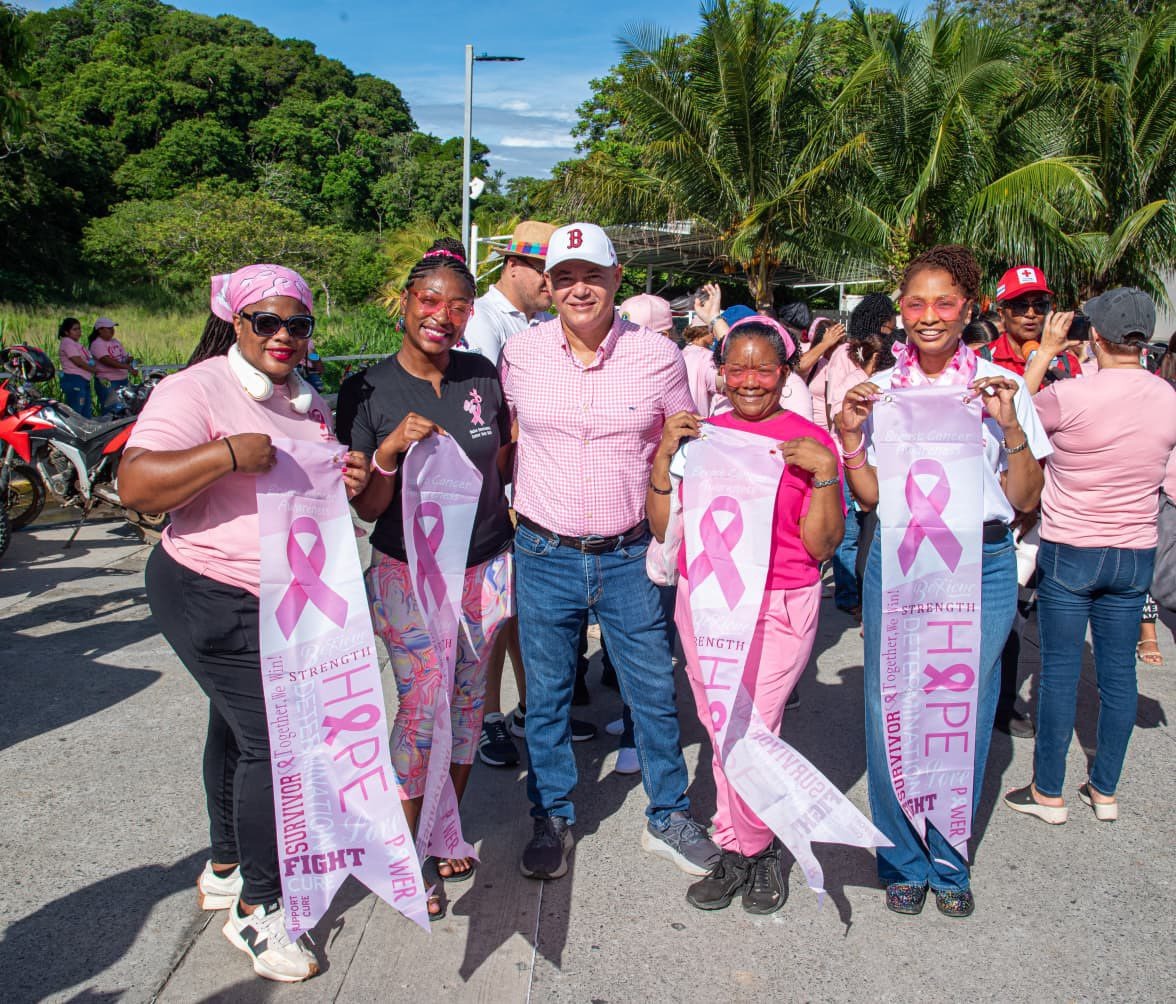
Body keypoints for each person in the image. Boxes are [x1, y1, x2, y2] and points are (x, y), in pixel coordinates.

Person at [119, 264, 368, 983]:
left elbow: (301, 483)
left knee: (233, 728)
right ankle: (262, 909)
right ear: (238, 325)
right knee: (273, 740)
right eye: (268, 322)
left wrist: (345, 475)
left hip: (278, 597)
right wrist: (226, 452)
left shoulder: (306, 400)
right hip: (205, 588)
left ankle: (226, 866)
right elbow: (135, 484)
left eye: (299, 324)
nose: (285, 336)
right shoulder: (194, 389)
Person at [501, 222, 719, 881]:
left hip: (630, 554)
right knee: (546, 695)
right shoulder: (521, 355)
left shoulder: (659, 357)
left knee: (653, 690)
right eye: (564, 277)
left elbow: (684, 446)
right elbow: (507, 439)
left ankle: (669, 814)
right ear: (548, 285)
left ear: (616, 279)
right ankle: (553, 815)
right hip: (544, 551)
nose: (577, 289)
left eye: (591, 275)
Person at [838, 245, 1050, 918]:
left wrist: (1010, 426)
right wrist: (849, 436)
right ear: (900, 310)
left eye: (944, 302)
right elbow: (870, 497)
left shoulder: (995, 385)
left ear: (970, 308)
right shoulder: (881, 391)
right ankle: (901, 855)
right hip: (901, 561)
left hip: (979, 563)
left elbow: (1024, 498)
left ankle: (950, 859)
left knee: (963, 708)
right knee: (890, 704)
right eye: (916, 302)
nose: (929, 316)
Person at [336, 239, 514, 916]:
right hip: (408, 574)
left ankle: (443, 829)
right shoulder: (368, 388)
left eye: (458, 305)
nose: (443, 314)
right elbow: (367, 507)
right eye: (430, 299)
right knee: (421, 709)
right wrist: (386, 451)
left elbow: (502, 457)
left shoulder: (481, 376)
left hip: (486, 567)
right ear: (405, 304)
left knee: (468, 708)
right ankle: (404, 849)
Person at [647, 316, 844, 913]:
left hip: (780, 602)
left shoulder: (809, 441)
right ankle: (735, 845)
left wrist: (826, 475)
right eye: (738, 368)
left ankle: (757, 853)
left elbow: (821, 546)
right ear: (720, 373)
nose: (750, 381)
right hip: (706, 602)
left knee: (755, 732)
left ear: (784, 374)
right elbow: (664, 530)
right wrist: (663, 457)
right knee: (719, 727)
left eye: (764, 368)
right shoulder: (702, 437)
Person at [1004, 287, 1176, 825]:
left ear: (1094, 336)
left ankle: (1048, 791)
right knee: (1119, 675)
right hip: (1135, 552)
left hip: (1072, 546)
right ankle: (1104, 790)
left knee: (1056, 672)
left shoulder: (1071, 395)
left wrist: (1046, 354)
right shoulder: (1169, 399)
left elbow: (1011, 417)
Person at [455, 220, 559, 769]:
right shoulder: (485, 323)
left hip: (523, 484)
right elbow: (486, 417)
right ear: (514, 265)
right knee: (493, 612)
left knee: (521, 609)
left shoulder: (534, 321)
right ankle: (487, 718)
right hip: (496, 490)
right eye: (547, 271)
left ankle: (530, 709)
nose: (554, 283)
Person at [825, 293, 897, 618]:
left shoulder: (896, 354)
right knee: (850, 532)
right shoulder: (845, 355)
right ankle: (849, 596)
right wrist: (867, 374)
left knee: (873, 528)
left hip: (882, 458)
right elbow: (837, 409)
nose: (890, 333)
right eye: (884, 328)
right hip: (847, 453)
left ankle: (872, 597)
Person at [462, 220, 556, 364]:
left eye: (558, 275)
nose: (551, 282)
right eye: (543, 272)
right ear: (513, 266)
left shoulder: (552, 322)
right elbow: (484, 384)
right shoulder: (480, 317)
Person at [985, 265, 1083, 381]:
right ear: (1001, 314)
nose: (1031, 314)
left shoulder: (1067, 362)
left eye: (1039, 305)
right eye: (1020, 306)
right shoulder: (982, 360)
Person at [89, 317, 135, 413]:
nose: (112, 331)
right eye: (109, 328)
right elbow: (106, 360)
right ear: (100, 330)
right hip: (108, 380)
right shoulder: (97, 344)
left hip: (122, 379)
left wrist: (128, 360)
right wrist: (126, 367)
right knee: (111, 408)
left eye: (112, 328)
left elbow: (123, 357)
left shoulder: (115, 342)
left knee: (124, 406)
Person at [56, 316, 97, 416]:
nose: (78, 331)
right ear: (66, 332)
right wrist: (93, 369)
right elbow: (77, 361)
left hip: (83, 380)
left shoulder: (76, 343)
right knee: (76, 411)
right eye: (75, 329)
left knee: (85, 411)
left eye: (79, 329)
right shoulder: (67, 342)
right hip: (74, 379)